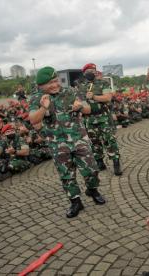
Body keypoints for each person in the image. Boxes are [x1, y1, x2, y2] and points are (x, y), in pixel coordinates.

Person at [28, 66, 106, 218]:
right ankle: (75, 201)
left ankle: (92, 190)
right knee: (67, 175)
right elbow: (33, 120)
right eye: (50, 82)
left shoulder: (69, 92)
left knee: (91, 168)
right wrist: (44, 108)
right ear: (41, 85)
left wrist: (80, 106)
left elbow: (88, 109)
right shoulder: (37, 98)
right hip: (58, 143)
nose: (55, 85)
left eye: (56, 81)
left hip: (78, 139)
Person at [78, 63, 122, 176]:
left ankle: (116, 163)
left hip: (103, 117)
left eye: (94, 70)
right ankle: (100, 162)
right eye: (90, 70)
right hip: (89, 119)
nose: (93, 72)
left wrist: (94, 97)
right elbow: (80, 102)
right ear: (84, 73)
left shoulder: (103, 83)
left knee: (110, 141)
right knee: (94, 142)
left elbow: (107, 98)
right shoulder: (81, 86)